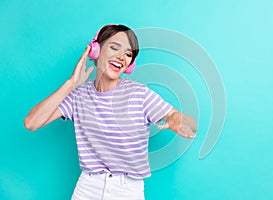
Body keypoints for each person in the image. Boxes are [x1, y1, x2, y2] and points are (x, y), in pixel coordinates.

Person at [24, 24, 197, 200]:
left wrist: (179, 120)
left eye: (128, 54)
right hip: (87, 187)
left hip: (126, 190)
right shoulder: (78, 96)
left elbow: (182, 119)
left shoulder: (139, 94)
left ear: (130, 64)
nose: (122, 57)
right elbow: (31, 123)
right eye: (115, 47)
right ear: (95, 50)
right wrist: (71, 84)